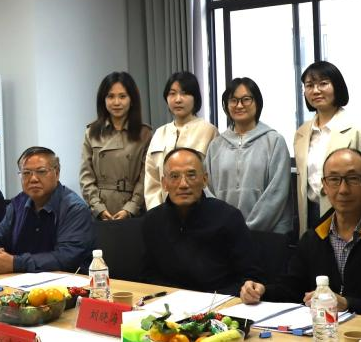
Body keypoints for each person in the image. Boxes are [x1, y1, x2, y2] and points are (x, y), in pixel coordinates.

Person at [240, 147, 361, 321]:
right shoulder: (313, 238)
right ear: (324, 186)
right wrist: (262, 291)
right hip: (323, 333)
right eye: (334, 179)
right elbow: (292, 288)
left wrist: (348, 304)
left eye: (353, 178)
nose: (343, 189)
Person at [139, 148, 263, 296]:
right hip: (169, 302)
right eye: (174, 176)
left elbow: (250, 275)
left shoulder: (228, 217)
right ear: (164, 183)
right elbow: (148, 275)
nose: (183, 184)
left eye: (191, 175)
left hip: (220, 300)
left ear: (204, 180)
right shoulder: (153, 220)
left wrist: (248, 290)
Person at [293, 61, 361, 233]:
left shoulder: (359, 130)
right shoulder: (301, 134)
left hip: (351, 218)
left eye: (323, 83)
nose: (315, 90)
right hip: (311, 215)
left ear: (337, 87)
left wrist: (359, 220)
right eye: (309, 85)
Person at [0, 146, 93, 274]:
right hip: (19, 279)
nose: (33, 179)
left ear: (57, 173)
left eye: (41, 171)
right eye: (26, 173)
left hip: (66, 282)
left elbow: (67, 257)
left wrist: (16, 263)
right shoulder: (18, 203)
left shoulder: (74, 208)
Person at [204, 77, 293, 234]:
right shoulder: (216, 146)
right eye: (233, 100)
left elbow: (277, 192)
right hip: (224, 234)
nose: (239, 105)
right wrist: (223, 225)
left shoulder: (274, 141)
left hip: (266, 234)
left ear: (257, 102)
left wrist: (246, 229)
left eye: (246, 99)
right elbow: (207, 190)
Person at [80, 71, 153, 221]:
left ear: (132, 100)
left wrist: (131, 207)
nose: (116, 102)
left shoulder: (144, 134)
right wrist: (98, 207)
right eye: (110, 96)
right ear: (103, 100)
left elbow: (146, 176)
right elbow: (86, 175)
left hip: (133, 211)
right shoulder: (92, 132)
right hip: (100, 211)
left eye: (122, 96)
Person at [143, 71, 218, 210]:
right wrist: (157, 213)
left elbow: (213, 180)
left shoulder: (209, 131)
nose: (178, 99)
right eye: (172, 93)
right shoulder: (159, 133)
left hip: (200, 210)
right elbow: (152, 180)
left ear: (195, 97)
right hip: (163, 213)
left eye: (184, 93)